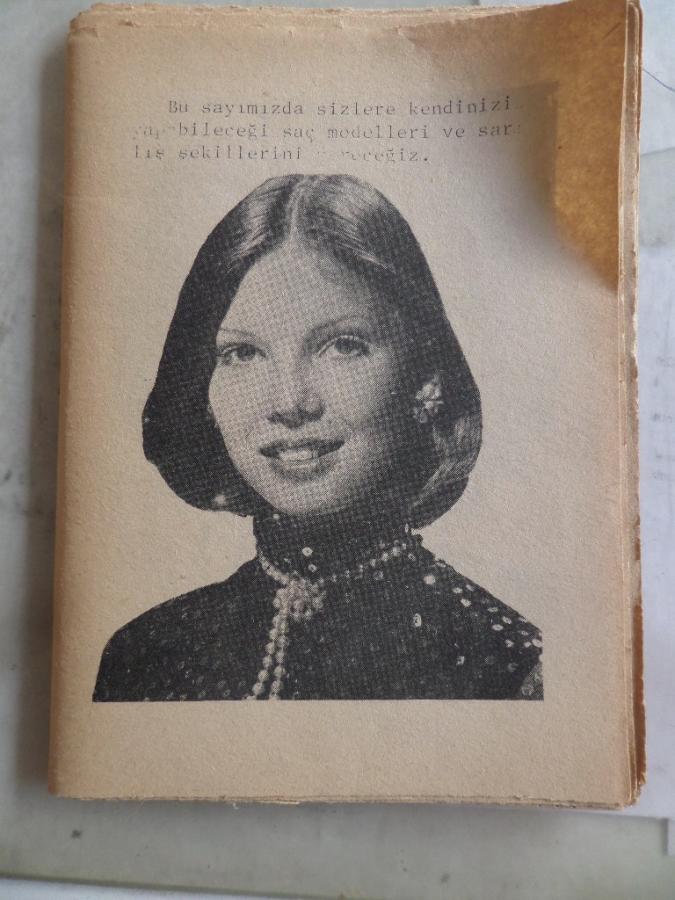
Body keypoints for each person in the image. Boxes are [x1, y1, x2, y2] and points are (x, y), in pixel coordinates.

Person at [93, 174, 542, 702]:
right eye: (242, 353)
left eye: (343, 346)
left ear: (427, 378)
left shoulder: (508, 664)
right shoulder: (144, 654)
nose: (290, 402)